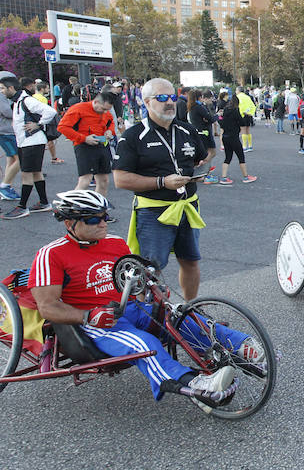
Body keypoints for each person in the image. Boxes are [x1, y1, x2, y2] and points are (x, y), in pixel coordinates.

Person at [27, 189, 247, 407]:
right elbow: (47, 307)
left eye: (105, 217)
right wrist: (88, 315)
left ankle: (246, 347)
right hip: (94, 323)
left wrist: (151, 290)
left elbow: (134, 280)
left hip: (130, 309)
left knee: (183, 318)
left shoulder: (115, 243)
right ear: (69, 224)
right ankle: (196, 384)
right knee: (143, 343)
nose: (103, 223)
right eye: (93, 219)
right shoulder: (51, 254)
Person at [112, 78, 209, 300]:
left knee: (191, 261)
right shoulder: (133, 136)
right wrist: (162, 182)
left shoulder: (187, 130)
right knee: (150, 269)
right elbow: (120, 179)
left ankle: (190, 308)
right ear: (146, 102)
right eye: (162, 98)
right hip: (154, 211)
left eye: (173, 97)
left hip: (187, 208)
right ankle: (149, 315)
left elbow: (201, 158)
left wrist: (196, 173)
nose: (170, 103)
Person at [1, 75, 56, 219]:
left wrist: (38, 124)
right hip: (27, 142)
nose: (1, 91)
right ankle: (44, 203)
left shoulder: (27, 100)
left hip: (32, 142)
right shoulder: (18, 101)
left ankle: (22, 207)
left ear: (10, 88)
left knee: (27, 174)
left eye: (2, 88)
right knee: (36, 172)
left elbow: (51, 111)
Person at [58, 90, 118, 205]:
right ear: (96, 102)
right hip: (84, 147)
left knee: (104, 181)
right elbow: (62, 127)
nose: (105, 112)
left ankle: (99, 210)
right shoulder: (79, 109)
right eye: (103, 109)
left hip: (102, 146)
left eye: (107, 110)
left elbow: (110, 122)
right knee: (85, 181)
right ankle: (70, 207)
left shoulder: (105, 112)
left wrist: (110, 131)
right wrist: (84, 138)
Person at [216, 94, 257, 185]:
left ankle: (224, 177)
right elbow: (242, 123)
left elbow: (221, 123)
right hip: (233, 137)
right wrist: (244, 115)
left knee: (228, 157)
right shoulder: (235, 110)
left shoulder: (226, 110)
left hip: (225, 137)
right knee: (241, 157)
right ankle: (246, 177)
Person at [187, 90, 218, 184]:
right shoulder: (198, 107)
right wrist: (216, 116)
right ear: (199, 97)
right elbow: (210, 118)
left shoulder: (192, 107)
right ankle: (204, 173)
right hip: (204, 133)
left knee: (208, 153)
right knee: (209, 153)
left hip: (200, 132)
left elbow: (206, 119)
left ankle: (204, 172)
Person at [0, 71, 22, 203]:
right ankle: (5, 186)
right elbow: (7, 113)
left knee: (11, 160)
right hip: (6, 131)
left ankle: (7, 185)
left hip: (5, 131)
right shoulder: (1, 96)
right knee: (21, 159)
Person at [32, 80, 64, 165]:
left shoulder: (33, 96)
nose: (49, 90)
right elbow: (45, 112)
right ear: (42, 89)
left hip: (35, 122)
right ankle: (53, 158)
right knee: (49, 140)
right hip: (42, 123)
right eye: (47, 88)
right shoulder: (42, 99)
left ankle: (52, 158)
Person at [234, 87, 256, 152]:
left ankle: (244, 146)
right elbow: (253, 106)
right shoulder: (248, 97)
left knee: (243, 131)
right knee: (248, 130)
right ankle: (250, 145)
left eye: (236, 90)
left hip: (242, 115)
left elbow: (238, 107)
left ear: (238, 91)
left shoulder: (237, 97)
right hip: (248, 115)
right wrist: (251, 113)